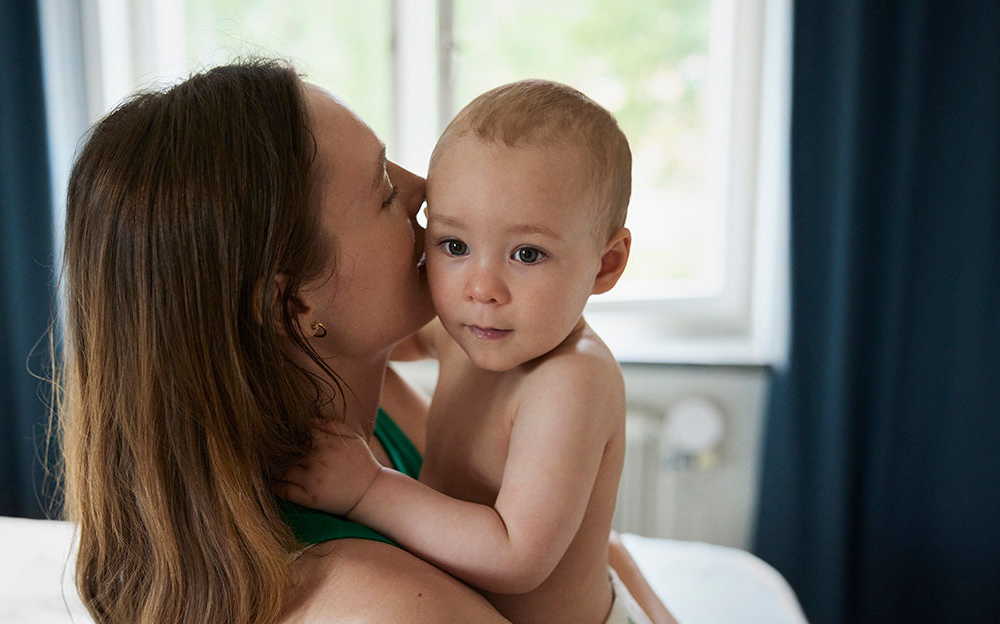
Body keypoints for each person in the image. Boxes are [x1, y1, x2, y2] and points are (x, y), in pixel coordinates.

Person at [57, 60, 673, 624]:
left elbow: (590, 547)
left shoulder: (366, 403)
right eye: (382, 188)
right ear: (292, 304)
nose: (426, 190)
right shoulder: (393, 606)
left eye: (527, 251)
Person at [279, 79, 652, 624]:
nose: (481, 288)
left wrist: (369, 489)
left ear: (606, 265)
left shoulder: (570, 380)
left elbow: (514, 556)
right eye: (454, 246)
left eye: (527, 253)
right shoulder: (475, 332)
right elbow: (369, 330)